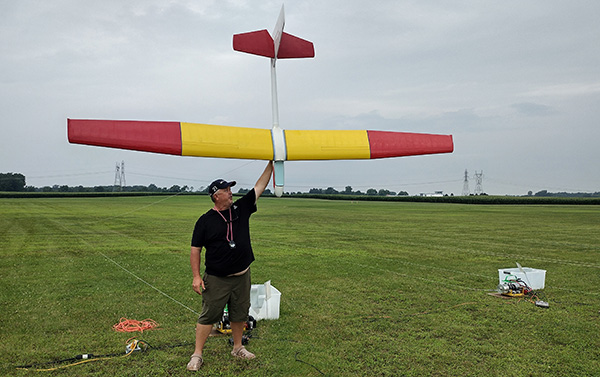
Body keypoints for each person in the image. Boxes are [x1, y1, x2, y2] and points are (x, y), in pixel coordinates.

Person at [187, 161, 273, 371]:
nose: (230, 192)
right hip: (217, 278)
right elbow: (195, 249)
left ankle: (237, 347)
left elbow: (259, 187)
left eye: (230, 189)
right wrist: (197, 276)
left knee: (240, 313)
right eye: (226, 190)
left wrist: (272, 163)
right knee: (209, 315)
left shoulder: (240, 209)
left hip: (242, 275)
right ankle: (197, 355)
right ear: (216, 195)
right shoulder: (205, 221)